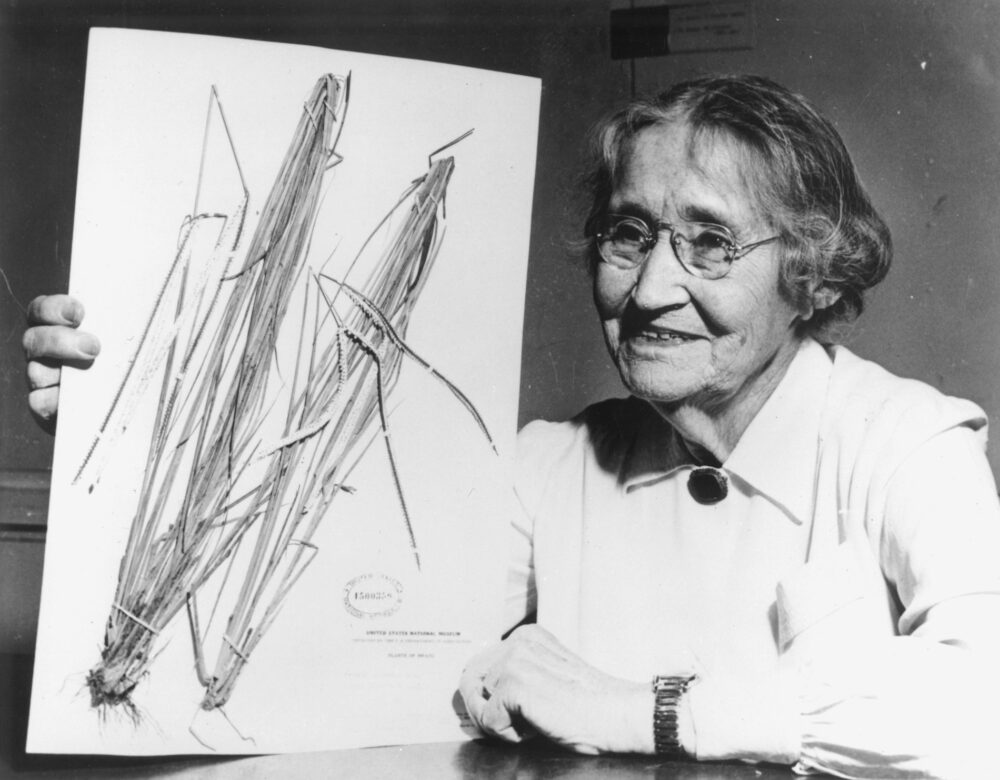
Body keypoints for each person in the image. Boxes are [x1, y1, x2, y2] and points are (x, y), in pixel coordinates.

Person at [25, 75, 1000, 778]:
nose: (652, 289)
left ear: (816, 274)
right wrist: (127, 430)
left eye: (709, 244)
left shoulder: (907, 445)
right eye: (629, 235)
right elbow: (320, 614)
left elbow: (983, 713)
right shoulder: (554, 462)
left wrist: (645, 713)